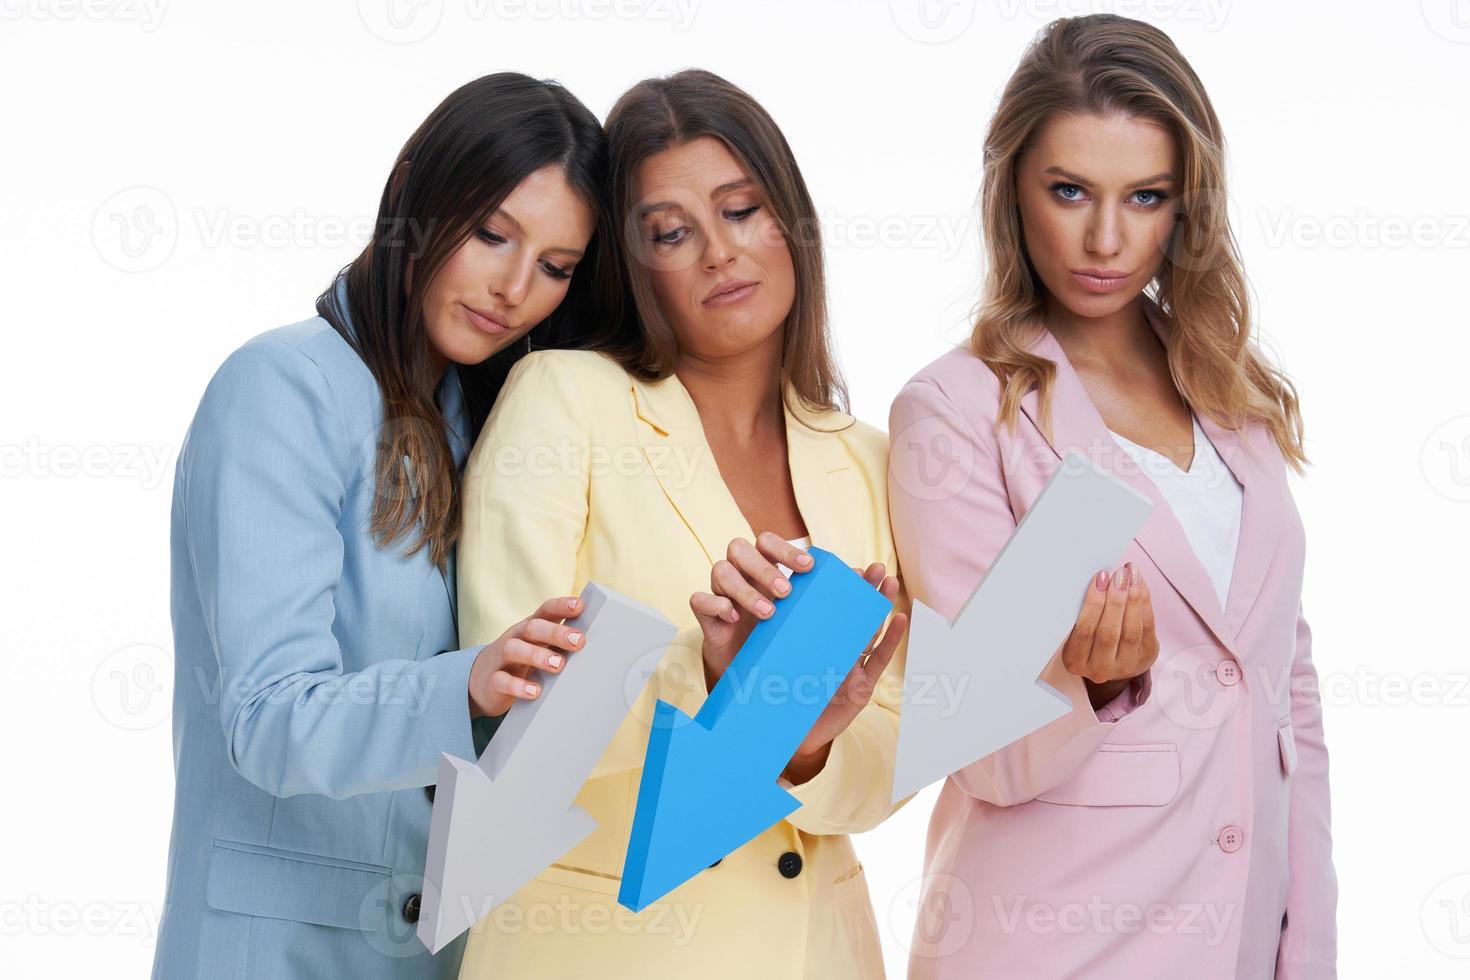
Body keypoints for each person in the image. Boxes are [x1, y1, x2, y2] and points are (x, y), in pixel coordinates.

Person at [888, 15, 1336, 978]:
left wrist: (1308, 952)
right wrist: (1088, 681)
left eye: (1145, 197)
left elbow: (1285, 701)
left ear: (1187, 208)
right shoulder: (958, 410)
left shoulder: (1234, 396)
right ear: (1012, 191)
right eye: (1068, 192)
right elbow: (977, 749)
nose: (1105, 238)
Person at [152, 72, 622, 979]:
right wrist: (470, 684)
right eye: (493, 234)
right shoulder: (281, 388)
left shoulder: (484, 426)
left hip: (430, 953)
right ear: (412, 187)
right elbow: (267, 715)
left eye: (557, 267)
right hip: (269, 951)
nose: (515, 288)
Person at [455, 69, 908, 980]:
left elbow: (892, 747)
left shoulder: (869, 456)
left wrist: (808, 743)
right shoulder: (566, 400)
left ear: (792, 223)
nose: (718, 253)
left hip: (821, 952)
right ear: (634, 263)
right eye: (671, 232)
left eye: (741, 211)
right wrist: (709, 679)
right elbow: (517, 734)